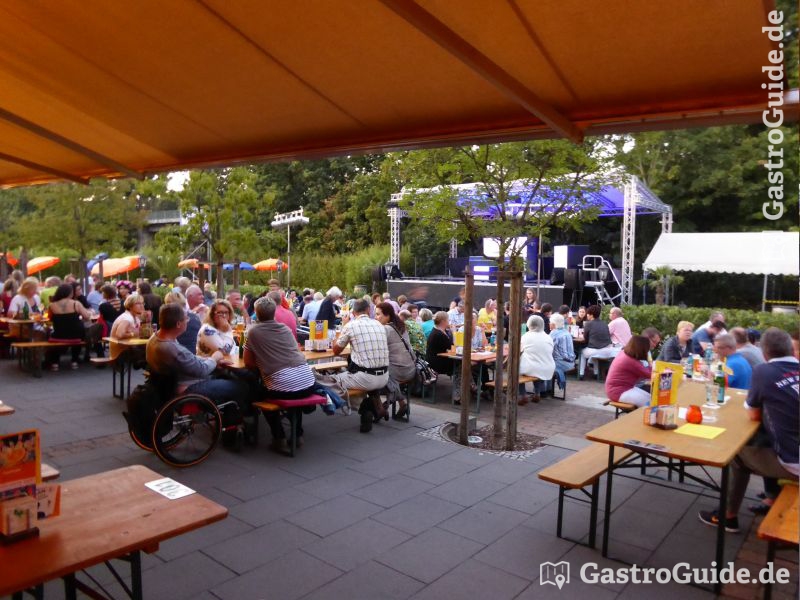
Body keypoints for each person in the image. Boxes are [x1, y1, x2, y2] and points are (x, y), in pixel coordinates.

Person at [698, 328, 798, 533]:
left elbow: (753, 415)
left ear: (765, 353)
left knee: (737, 453)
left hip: (794, 463)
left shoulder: (764, 371)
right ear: (790, 349)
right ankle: (772, 498)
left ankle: (728, 516)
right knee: (764, 441)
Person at [244, 297, 318, 454]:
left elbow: (248, 362)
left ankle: (279, 438)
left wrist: (264, 363)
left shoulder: (253, 332)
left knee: (259, 395)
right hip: (308, 382)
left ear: (256, 313)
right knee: (295, 388)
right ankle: (298, 434)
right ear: (274, 313)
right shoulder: (285, 329)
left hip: (284, 387)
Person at [147, 303, 253, 413]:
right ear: (178, 324)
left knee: (227, 377)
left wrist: (214, 362)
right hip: (187, 388)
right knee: (241, 386)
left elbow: (191, 360)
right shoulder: (172, 348)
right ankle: (233, 417)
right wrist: (214, 358)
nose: (188, 321)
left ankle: (227, 414)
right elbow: (202, 370)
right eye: (186, 319)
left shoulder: (155, 338)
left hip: (170, 386)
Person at [314, 298, 389, 433]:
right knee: (356, 376)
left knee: (331, 380)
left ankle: (362, 407)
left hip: (365, 378)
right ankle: (369, 407)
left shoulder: (351, 325)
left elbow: (336, 351)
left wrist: (344, 326)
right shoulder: (379, 325)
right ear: (368, 310)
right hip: (384, 376)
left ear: (353, 312)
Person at [375, 302, 415, 419]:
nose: (376, 317)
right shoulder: (401, 325)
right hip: (411, 368)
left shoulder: (385, 329)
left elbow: (377, 350)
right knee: (384, 373)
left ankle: (381, 407)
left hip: (399, 371)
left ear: (387, 315)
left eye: (378, 314)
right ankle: (400, 403)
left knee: (376, 374)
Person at [47, 283, 92, 370]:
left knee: (51, 335)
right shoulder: (76, 303)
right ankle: (74, 361)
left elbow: (49, 319)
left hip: (59, 334)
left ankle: (55, 363)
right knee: (79, 334)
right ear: (70, 293)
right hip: (76, 334)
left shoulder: (52, 305)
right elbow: (87, 316)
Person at [605, 336, 652, 407]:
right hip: (619, 392)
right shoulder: (631, 362)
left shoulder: (624, 353)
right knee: (652, 403)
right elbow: (650, 375)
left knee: (651, 398)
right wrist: (650, 362)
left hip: (616, 390)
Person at [519, 315, 555, 404]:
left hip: (530, 368)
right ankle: (537, 393)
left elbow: (519, 350)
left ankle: (523, 395)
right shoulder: (548, 337)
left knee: (516, 370)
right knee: (537, 368)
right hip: (548, 367)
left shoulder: (526, 336)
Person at [426, 311, 460, 401]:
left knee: (464, 365)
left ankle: (470, 386)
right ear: (443, 321)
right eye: (448, 320)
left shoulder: (438, 331)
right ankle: (458, 393)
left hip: (436, 360)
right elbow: (453, 347)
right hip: (437, 363)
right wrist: (454, 332)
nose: (449, 321)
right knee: (461, 366)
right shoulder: (439, 334)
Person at [578, 305, 615, 379]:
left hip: (594, 351)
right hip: (607, 351)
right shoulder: (605, 324)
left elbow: (585, 339)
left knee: (582, 352)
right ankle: (596, 373)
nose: (587, 315)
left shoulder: (588, 324)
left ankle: (581, 374)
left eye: (588, 314)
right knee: (594, 352)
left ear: (591, 315)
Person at [550, 313, 576, 391]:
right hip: (571, 363)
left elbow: (547, 349)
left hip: (561, 364)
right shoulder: (567, 332)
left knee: (543, 365)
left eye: (550, 322)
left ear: (553, 324)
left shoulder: (554, 333)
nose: (549, 324)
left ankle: (543, 390)